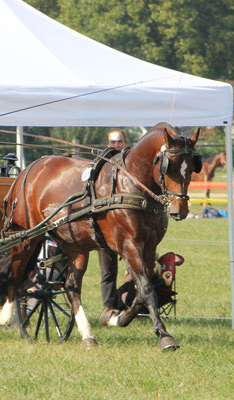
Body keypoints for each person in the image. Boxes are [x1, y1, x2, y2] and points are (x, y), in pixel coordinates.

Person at [98, 129, 127, 326]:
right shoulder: (101, 165)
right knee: (108, 271)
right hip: (106, 224)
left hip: (128, 224)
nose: (116, 145)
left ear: (125, 142)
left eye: (119, 142)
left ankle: (130, 304)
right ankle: (109, 308)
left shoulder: (130, 162)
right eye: (113, 142)